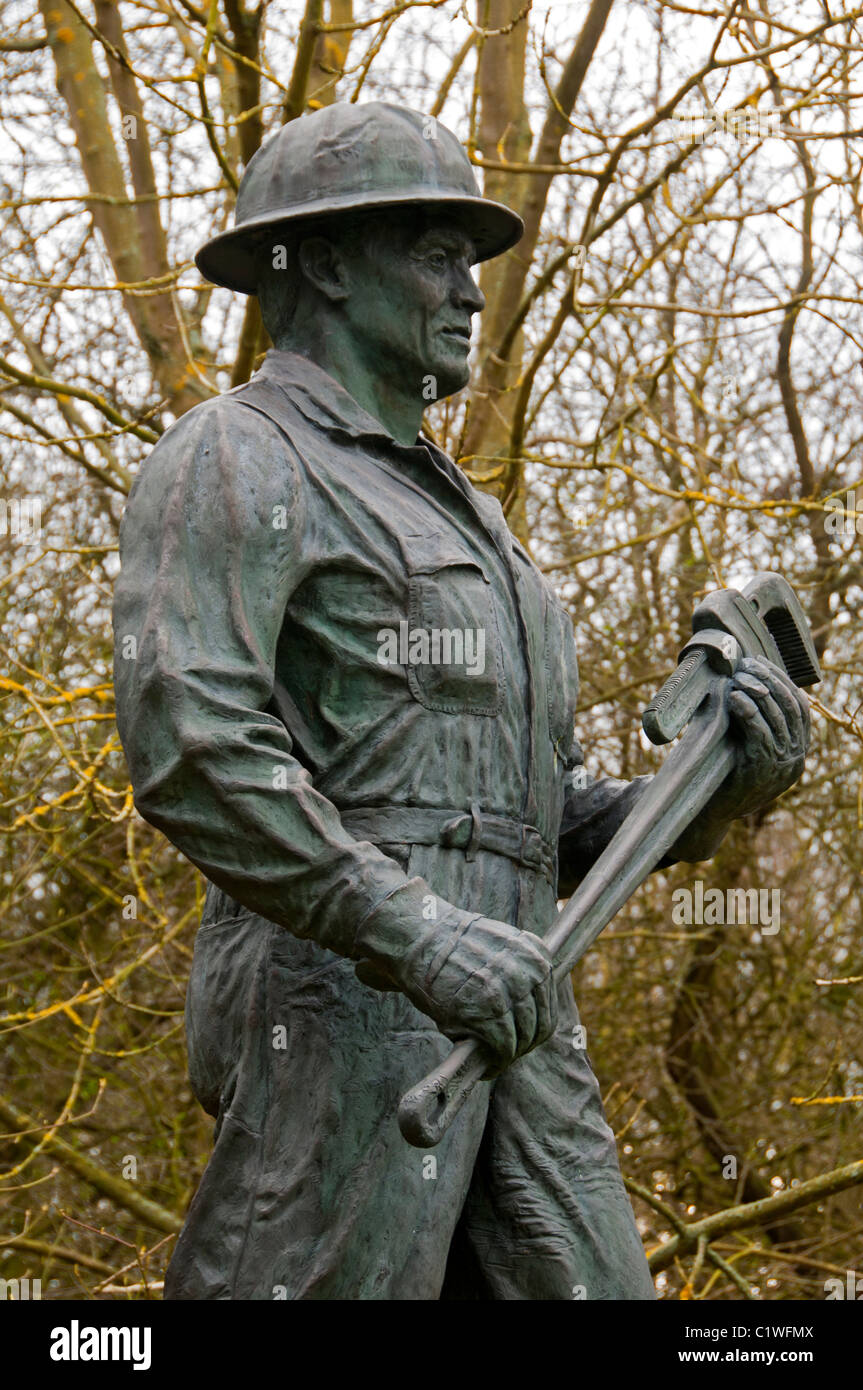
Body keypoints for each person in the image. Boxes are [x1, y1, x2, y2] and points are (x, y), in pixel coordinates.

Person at [112, 102, 810, 1300]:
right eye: (435, 255)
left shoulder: (482, 528)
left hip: (520, 1021)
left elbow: (543, 824)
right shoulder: (235, 457)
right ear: (323, 263)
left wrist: (707, 789)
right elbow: (194, 747)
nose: (470, 293)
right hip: (337, 1017)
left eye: (470, 264)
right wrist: (415, 933)